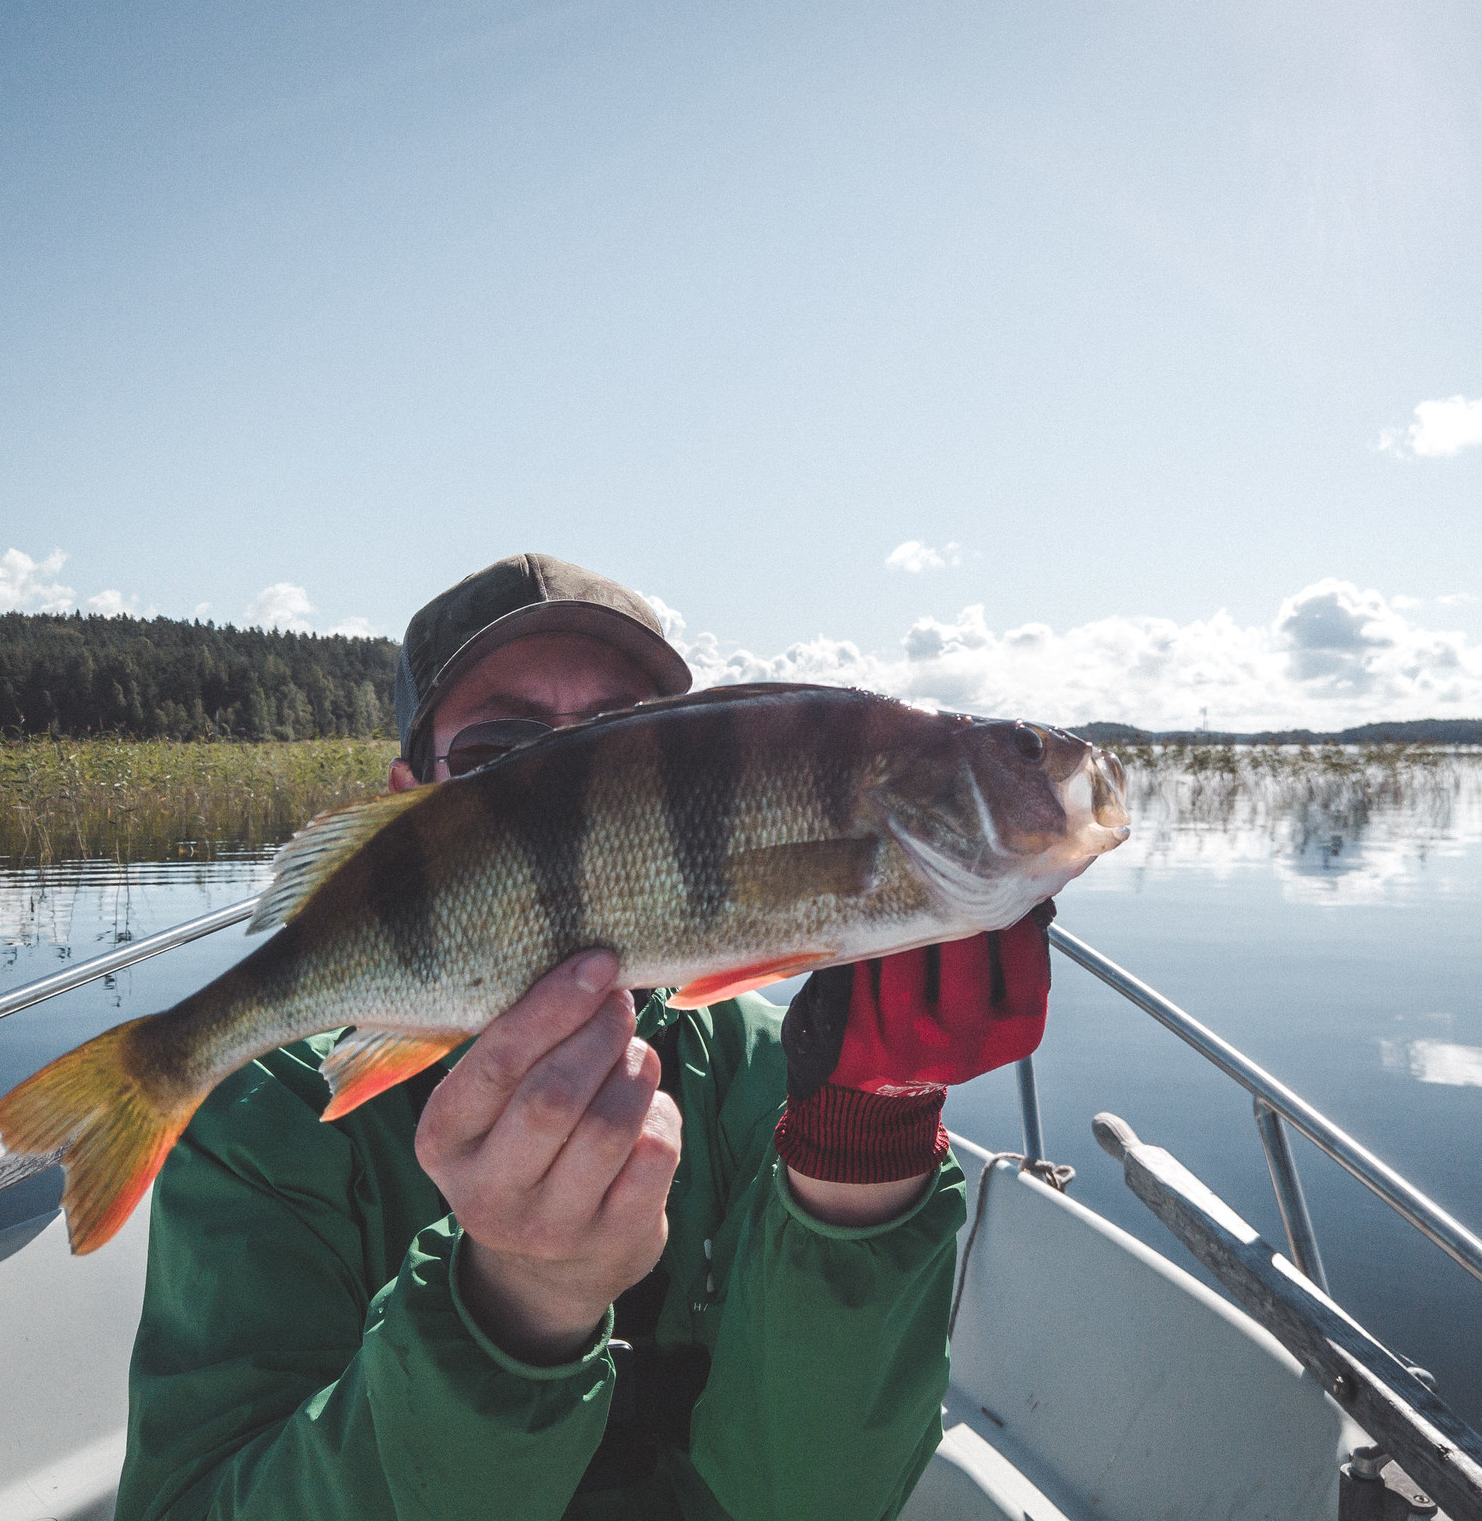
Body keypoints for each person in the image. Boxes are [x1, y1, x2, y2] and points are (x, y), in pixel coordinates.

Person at [114, 554, 1054, 1521]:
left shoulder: (773, 1072)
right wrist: (514, 1301)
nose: (560, 774)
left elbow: (813, 1501)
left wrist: (866, 1149)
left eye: (618, 736)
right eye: (499, 754)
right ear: (403, 801)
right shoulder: (265, 1118)